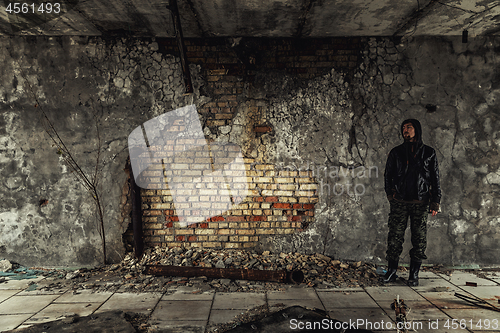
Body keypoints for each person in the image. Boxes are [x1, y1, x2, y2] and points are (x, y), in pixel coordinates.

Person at [381, 119, 441, 286]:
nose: (405, 130)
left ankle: (414, 274)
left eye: (409, 127)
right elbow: (388, 175)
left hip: (421, 202)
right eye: (403, 128)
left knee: (419, 239)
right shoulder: (396, 152)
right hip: (399, 201)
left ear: (417, 130)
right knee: (394, 238)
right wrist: (390, 196)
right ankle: (391, 271)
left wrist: (435, 201)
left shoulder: (429, 152)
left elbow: (435, 178)